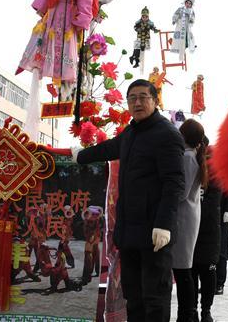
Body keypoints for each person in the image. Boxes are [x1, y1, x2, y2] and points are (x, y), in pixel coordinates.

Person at [71, 80, 184, 322]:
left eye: (144, 97)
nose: (138, 102)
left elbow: (174, 183)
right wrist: (81, 155)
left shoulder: (167, 135)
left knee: (155, 297)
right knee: (134, 296)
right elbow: (110, 148)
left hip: (155, 232)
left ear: (155, 101)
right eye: (132, 98)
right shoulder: (132, 132)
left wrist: (164, 224)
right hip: (130, 231)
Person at [17, 0, 99, 84]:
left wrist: (81, 21)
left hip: (69, 19)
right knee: (46, 39)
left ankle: (62, 74)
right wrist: (43, 9)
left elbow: (86, 5)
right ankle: (40, 63)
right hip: (53, 15)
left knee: (65, 44)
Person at [171, 119, 206, 322]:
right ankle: (188, 314)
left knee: (183, 271)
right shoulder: (193, 156)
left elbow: (180, 193)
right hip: (189, 217)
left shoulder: (186, 157)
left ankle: (187, 315)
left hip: (183, 219)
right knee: (185, 270)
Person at [190, 141, 220, 322]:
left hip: (208, 233)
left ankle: (206, 310)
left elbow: (213, 202)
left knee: (208, 273)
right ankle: (192, 310)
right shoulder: (188, 167)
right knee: (190, 274)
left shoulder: (215, 174)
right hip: (189, 231)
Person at [215, 190, 228, 295]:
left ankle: (219, 283)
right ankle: (209, 282)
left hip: (222, 218)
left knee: (221, 252)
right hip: (207, 217)